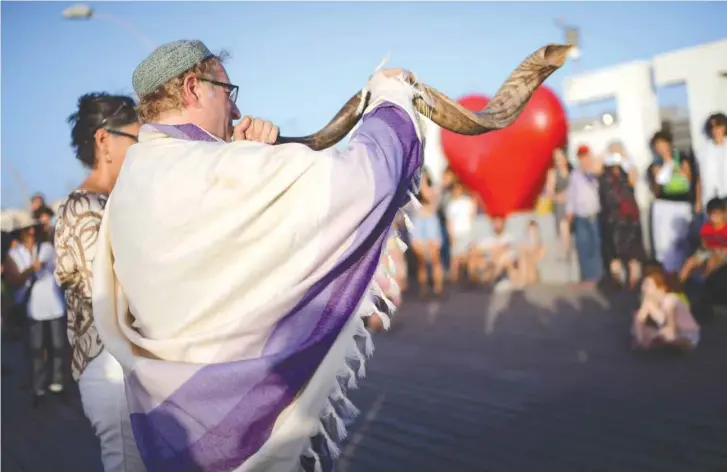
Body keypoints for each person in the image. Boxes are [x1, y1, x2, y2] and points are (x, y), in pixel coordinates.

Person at [90, 40, 423, 472]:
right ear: (194, 89)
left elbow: (221, 267)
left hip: (170, 428)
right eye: (228, 92)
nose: (234, 110)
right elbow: (357, 183)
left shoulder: (132, 183)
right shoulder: (212, 168)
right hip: (247, 425)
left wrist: (247, 154)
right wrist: (391, 101)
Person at [54, 92, 144, 472]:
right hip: (110, 370)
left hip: (122, 367)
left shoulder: (112, 202)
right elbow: (118, 293)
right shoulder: (85, 207)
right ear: (104, 139)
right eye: (135, 141)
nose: (142, 152)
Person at [4, 213, 66, 405]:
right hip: (32, 308)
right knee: (36, 348)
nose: (31, 231)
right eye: (27, 229)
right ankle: (38, 386)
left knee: (57, 345)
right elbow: (13, 279)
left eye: (34, 228)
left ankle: (58, 381)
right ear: (21, 232)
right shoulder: (13, 255)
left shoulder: (47, 248)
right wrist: (32, 268)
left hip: (55, 305)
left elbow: (61, 269)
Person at [648, 130, 702, 273]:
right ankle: (668, 271)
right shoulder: (655, 163)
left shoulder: (682, 157)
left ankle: (683, 272)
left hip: (682, 204)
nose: (661, 149)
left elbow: (689, 179)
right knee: (664, 241)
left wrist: (674, 166)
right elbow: (657, 186)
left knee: (681, 239)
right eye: (657, 146)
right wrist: (663, 168)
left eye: (663, 145)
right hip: (664, 204)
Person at [598, 141, 646, 289]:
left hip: (629, 217)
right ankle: (617, 280)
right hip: (611, 218)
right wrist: (605, 156)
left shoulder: (628, 170)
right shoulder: (604, 172)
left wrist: (626, 158)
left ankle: (634, 280)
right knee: (614, 252)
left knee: (633, 251)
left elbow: (633, 180)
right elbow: (592, 167)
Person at [632, 264, 700, 352]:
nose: (643, 289)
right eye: (644, 285)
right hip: (668, 329)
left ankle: (673, 344)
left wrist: (656, 334)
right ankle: (656, 342)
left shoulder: (670, 300)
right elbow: (639, 320)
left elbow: (670, 328)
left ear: (661, 289)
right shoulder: (649, 301)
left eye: (648, 285)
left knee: (667, 337)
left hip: (686, 334)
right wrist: (640, 338)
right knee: (639, 329)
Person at [565, 145, 604, 286]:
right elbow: (571, 195)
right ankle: (588, 277)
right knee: (583, 247)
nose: (583, 159)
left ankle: (598, 277)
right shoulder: (575, 174)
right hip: (580, 216)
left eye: (585, 156)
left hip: (594, 215)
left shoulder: (594, 170)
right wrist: (569, 212)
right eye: (581, 157)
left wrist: (590, 167)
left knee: (596, 246)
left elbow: (596, 174)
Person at [410, 168, 446, 297]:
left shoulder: (434, 189)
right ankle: (423, 289)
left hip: (431, 222)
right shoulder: (412, 190)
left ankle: (438, 288)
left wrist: (423, 183)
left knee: (435, 258)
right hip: (418, 222)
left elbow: (431, 202)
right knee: (421, 260)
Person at [679, 197, 727, 282]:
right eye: (712, 215)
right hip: (708, 251)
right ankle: (679, 284)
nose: (714, 218)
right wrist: (709, 249)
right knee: (689, 262)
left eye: (717, 214)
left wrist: (719, 250)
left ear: (724, 214)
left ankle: (708, 285)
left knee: (712, 262)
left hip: (723, 252)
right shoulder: (707, 227)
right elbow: (703, 243)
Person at [469, 215, 519, 286]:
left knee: (501, 259)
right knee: (474, 258)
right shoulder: (489, 238)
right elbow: (476, 249)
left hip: (505, 260)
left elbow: (508, 248)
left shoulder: (509, 237)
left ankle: (490, 279)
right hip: (490, 261)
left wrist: (495, 251)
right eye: (495, 223)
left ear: (503, 224)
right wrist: (489, 249)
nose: (497, 225)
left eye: (499, 223)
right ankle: (476, 282)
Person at [445, 179, 476, 284]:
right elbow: (449, 221)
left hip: (467, 232)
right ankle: (455, 280)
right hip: (456, 233)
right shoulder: (451, 205)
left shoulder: (468, 202)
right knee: (455, 257)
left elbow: (472, 217)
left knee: (470, 256)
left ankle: (471, 278)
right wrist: (451, 235)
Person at [544, 146, 572, 258]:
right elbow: (549, 193)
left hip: (573, 205)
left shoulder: (571, 171)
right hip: (561, 206)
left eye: (560, 157)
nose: (558, 160)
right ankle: (565, 253)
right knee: (563, 227)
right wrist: (561, 196)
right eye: (556, 158)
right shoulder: (553, 173)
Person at [698, 112, 727, 208]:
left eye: (718, 126)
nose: (715, 130)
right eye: (712, 127)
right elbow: (699, 177)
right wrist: (698, 201)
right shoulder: (703, 151)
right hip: (711, 196)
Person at [517, 220, 545, 285]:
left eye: (534, 231)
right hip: (526, 263)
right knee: (523, 258)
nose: (531, 233)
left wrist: (533, 248)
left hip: (534, 264)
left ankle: (525, 281)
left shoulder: (541, 245)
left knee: (526, 260)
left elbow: (540, 256)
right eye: (529, 231)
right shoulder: (523, 244)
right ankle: (524, 280)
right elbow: (520, 251)